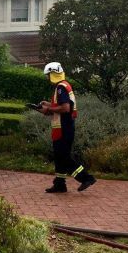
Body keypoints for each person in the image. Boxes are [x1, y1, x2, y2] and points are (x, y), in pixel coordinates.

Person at [36, 62, 96, 193]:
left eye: (48, 75)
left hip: (64, 128)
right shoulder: (64, 86)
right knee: (59, 156)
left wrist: (48, 109)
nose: (47, 78)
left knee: (64, 157)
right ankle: (60, 184)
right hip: (63, 128)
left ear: (52, 74)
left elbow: (65, 108)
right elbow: (61, 105)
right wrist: (47, 105)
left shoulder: (60, 88)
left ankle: (86, 178)